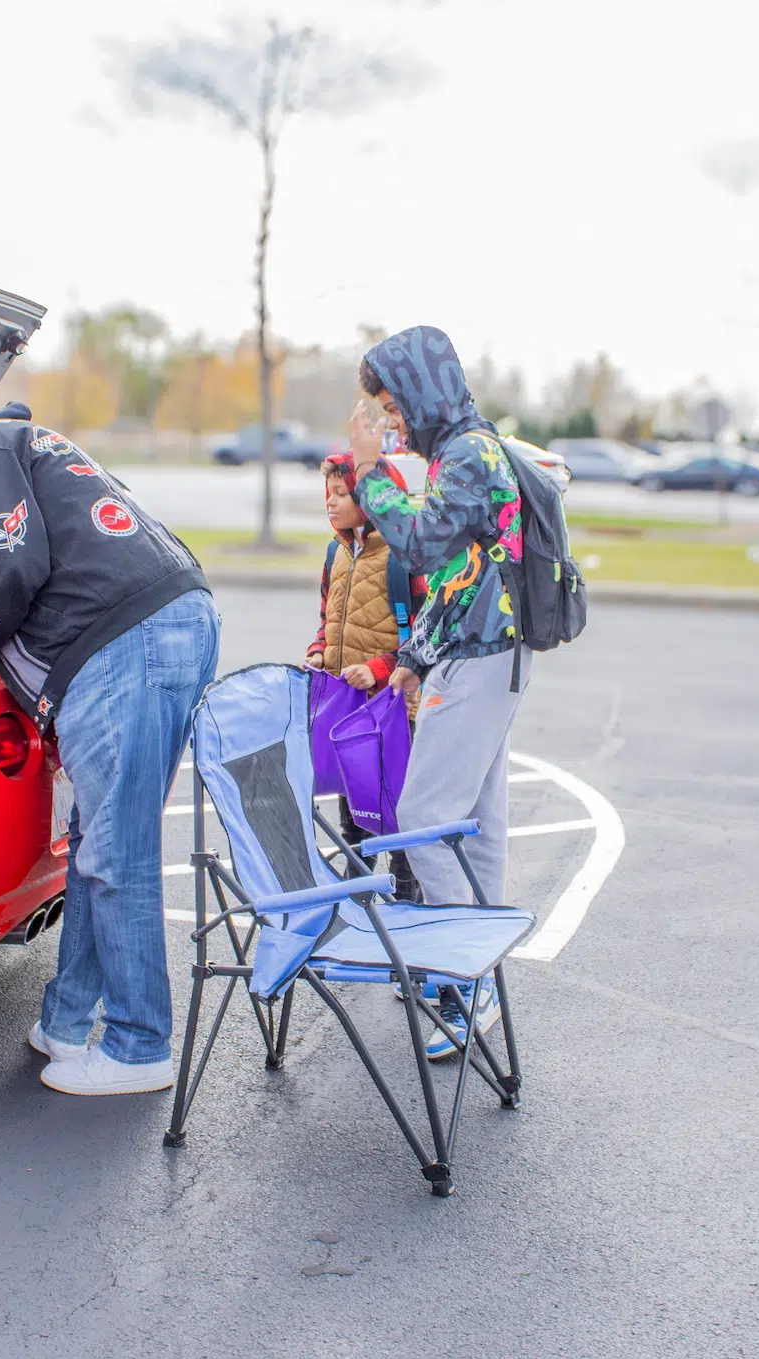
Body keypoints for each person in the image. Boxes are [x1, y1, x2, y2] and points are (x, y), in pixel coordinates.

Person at [0, 402, 219, 1096]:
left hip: (122, 640)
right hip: (167, 619)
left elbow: (7, 564)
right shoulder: (33, 446)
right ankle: (67, 1020)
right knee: (97, 839)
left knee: (115, 850)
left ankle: (139, 1046)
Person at [347, 326, 526, 1055]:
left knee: (423, 814)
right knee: (479, 825)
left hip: (481, 657)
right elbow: (461, 572)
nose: (391, 422)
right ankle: (476, 981)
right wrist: (416, 656)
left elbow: (422, 545)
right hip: (484, 653)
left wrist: (369, 473)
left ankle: (462, 978)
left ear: (421, 393)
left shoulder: (470, 455)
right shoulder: (467, 451)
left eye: (394, 406)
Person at [305, 450, 422, 902]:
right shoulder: (335, 552)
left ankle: (407, 901)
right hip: (347, 705)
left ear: (369, 500)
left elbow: (426, 634)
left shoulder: (403, 558)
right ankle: (357, 900)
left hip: (392, 709)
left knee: (394, 812)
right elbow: (327, 617)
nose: (330, 502)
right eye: (328, 493)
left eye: (341, 493)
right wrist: (319, 650)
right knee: (353, 812)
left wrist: (377, 670)